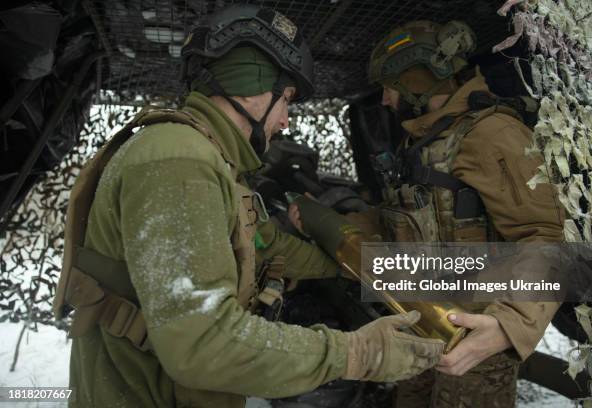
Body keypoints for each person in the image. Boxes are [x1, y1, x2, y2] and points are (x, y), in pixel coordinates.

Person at [52, 6, 445, 407]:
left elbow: (268, 246)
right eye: (287, 99)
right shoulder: (178, 161)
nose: (287, 120)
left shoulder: (211, 161)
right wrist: (359, 353)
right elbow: (203, 343)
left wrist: (356, 266)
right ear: (251, 86)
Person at [291, 20, 565, 407]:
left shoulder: (492, 134)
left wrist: (508, 325)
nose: (386, 100)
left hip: (475, 340)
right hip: (422, 321)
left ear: (417, 80)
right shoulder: (421, 143)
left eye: (390, 87)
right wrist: (329, 224)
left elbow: (546, 235)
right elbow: (395, 220)